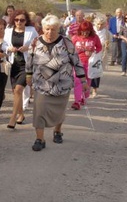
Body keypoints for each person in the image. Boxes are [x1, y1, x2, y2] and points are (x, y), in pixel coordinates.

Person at [26, 14, 89, 151]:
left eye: (53, 29)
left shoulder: (67, 43)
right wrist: (28, 75)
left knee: (59, 111)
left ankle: (57, 131)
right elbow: (29, 61)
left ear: (58, 29)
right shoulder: (36, 42)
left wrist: (83, 80)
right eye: (47, 29)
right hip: (42, 84)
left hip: (62, 84)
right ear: (42, 28)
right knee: (39, 111)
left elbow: (76, 62)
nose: (49, 32)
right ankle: (39, 139)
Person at [2, 9, 39, 129]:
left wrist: (28, 47)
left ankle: (13, 117)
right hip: (13, 65)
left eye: (22, 20)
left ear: (26, 21)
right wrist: (9, 49)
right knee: (15, 92)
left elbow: (38, 44)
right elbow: (3, 45)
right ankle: (21, 115)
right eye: (17, 20)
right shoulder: (8, 31)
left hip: (26, 65)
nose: (19, 22)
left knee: (18, 90)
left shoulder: (31, 31)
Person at [71, 21, 103, 107]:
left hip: (90, 64)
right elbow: (69, 49)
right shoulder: (75, 38)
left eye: (87, 31)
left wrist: (94, 52)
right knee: (78, 82)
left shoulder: (94, 37)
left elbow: (99, 47)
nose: (85, 33)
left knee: (87, 82)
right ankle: (76, 101)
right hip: (78, 63)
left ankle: (84, 98)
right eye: (83, 31)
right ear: (80, 30)